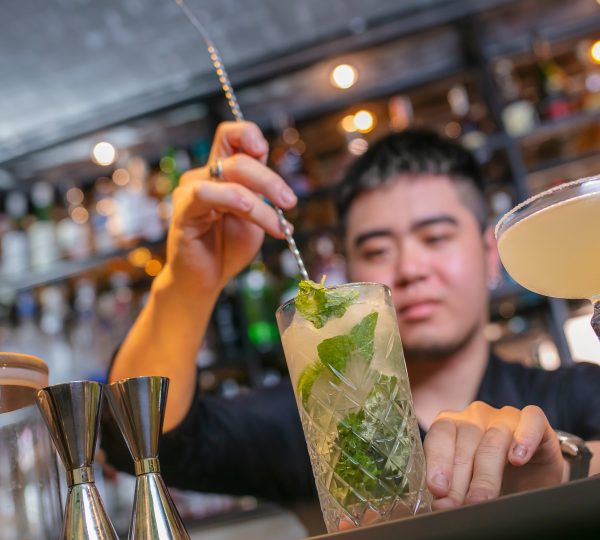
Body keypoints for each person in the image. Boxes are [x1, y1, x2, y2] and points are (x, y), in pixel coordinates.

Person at [102, 122, 600, 516]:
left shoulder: (574, 395)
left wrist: (558, 466)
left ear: (490, 256)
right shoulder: (313, 421)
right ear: (348, 272)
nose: (410, 268)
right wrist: (189, 281)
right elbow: (135, 442)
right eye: (377, 249)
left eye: (436, 238)